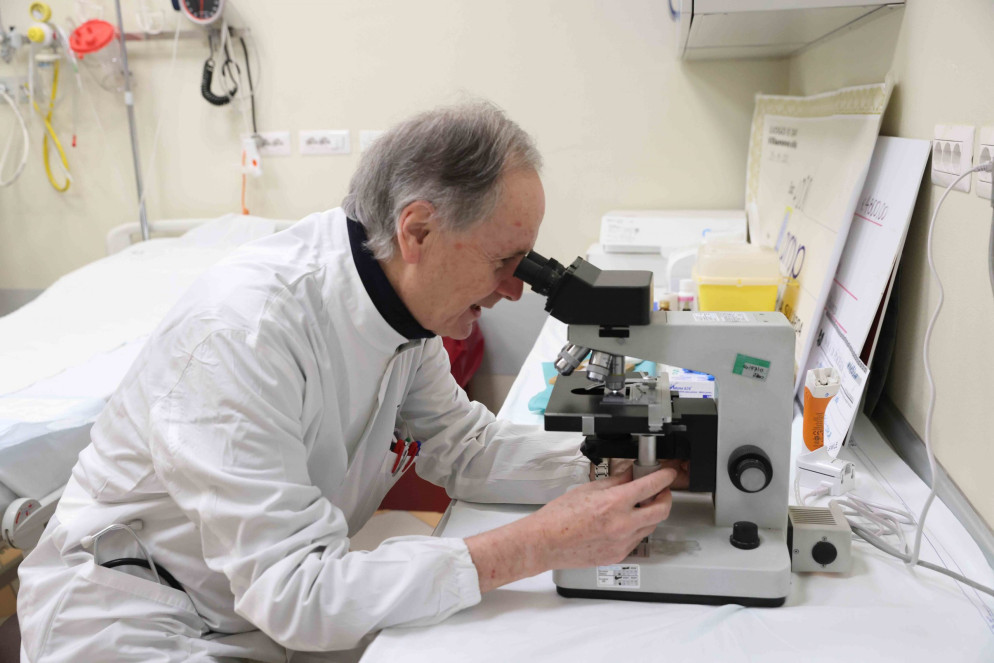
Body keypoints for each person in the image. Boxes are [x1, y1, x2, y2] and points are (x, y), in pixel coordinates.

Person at [16, 102, 681, 662]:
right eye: (505, 261)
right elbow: (298, 594)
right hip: (136, 621)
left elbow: (465, 448)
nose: (514, 289)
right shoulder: (244, 335)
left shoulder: (401, 307)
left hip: (254, 608)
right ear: (418, 229)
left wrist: (630, 466)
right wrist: (541, 543)